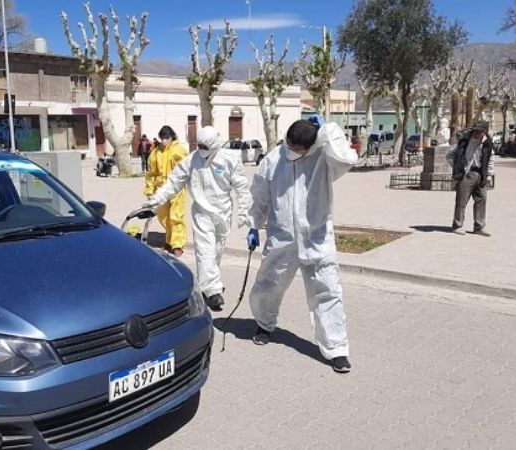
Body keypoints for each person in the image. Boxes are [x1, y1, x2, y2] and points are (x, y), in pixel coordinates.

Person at [245, 119, 358, 373]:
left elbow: (348, 158)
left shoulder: (323, 157)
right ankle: (264, 324)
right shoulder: (273, 161)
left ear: (311, 145)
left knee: (327, 291)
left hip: (317, 237)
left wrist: (329, 131)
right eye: (291, 145)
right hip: (282, 238)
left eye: (300, 148)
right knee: (268, 285)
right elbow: (260, 196)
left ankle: (337, 349)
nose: (294, 151)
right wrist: (253, 224)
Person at [143, 126, 251, 311]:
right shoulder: (191, 160)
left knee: (217, 249)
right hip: (202, 212)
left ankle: (210, 284)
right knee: (205, 250)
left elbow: (241, 186)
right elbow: (173, 183)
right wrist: (155, 201)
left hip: (223, 212)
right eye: (199, 145)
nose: (202, 149)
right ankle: (213, 291)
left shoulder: (230, 159)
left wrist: (244, 210)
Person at [144, 125, 188, 256]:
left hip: (177, 189)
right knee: (164, 217)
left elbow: (185, 169)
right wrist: (150, 190)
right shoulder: (155, 153)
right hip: (161, 189)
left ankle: (177, 244)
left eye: (167, 137)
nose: (164, 140)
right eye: (162, 137)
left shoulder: (179, 151)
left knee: (176, 216)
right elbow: (151, 173)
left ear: (172, 137)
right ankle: (169, 241)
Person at [446, 120, 494, 237]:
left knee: (481, 200)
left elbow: (490, 159)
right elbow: (449, 155)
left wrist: (489, 175)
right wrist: (458, 167)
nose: (477, 133)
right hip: (467, 174)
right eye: (475, 131)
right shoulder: (464, 141)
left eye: (480, 131)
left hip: (480, 174)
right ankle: (457, 225)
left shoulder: (487, 143)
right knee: (461, 201)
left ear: (484, 132)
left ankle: (479, 226)